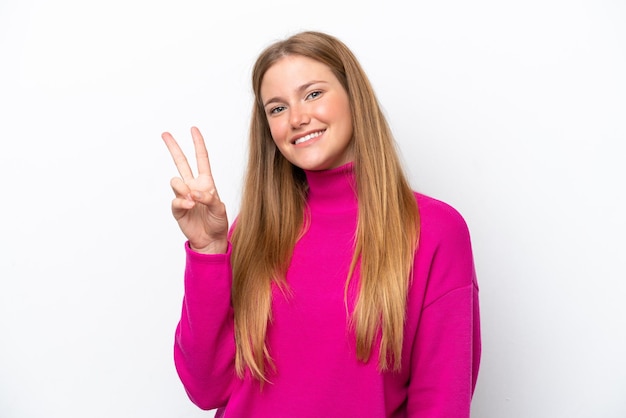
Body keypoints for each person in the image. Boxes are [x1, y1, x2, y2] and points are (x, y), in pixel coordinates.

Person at [162, 30, 481, 418]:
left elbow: (441, 402)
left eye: (313, 94)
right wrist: (208, 252)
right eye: (277, 108)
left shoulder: (434, 231)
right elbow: (206, 388)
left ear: (354, 98)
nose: (297, 118)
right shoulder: (254, 230)